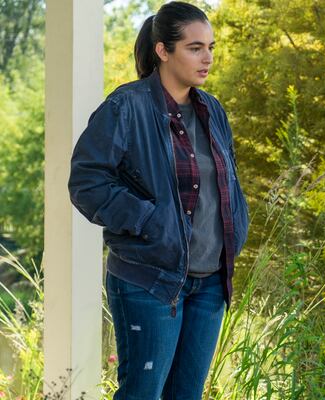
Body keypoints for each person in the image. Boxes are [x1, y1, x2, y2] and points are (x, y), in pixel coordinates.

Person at [68, 2, 249, 399]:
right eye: (195, 47)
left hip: (210, 282)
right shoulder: (126, 106)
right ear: (163, 51)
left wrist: (238, 221)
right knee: (142, 394)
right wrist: (150, 221)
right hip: (149, 281)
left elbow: (226, 178)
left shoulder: (212, 110)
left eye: (211, 47)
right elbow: (87, 181)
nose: (208, 58)